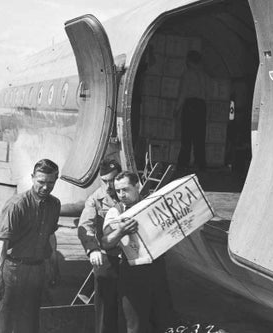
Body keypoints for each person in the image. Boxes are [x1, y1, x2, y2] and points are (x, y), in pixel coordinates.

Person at [0, 159, 61, 333]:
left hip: (36, 270)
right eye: (41, 182)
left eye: (51, 183)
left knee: (29, 324)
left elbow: (50, 235)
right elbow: (1, 243)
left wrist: (53, 264)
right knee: (0, 323)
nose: (45, 187)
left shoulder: (54, 204)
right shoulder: (17, 204)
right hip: (12, 270)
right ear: (32, 178)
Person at [102, 171, 174, 333]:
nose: (121, 195)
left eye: (125, 189)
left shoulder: (153, 205)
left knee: (162, 320)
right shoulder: (115, 213)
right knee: (135, 325)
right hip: (131, 272)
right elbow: (105, 242)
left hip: (157, 269)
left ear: (138, 186)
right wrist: (120, 231)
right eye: (118, 191)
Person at [78, 159, 122, 333]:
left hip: (131, 257)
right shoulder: (95, 199)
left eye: (113, 179)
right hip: (108, 256)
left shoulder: (131, 192)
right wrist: (93, 248)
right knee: (105, 311)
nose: (109, 185)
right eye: (105, 181)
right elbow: (85, 227)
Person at [175, 50, 209, 170]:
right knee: (199, 136)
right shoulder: (203, 75)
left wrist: (177, 109)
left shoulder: (187, 74)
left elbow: (183, 93)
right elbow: (207, 93)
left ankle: (183, 163)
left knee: (187, 136)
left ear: (189, 61)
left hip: (190, 105)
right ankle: (200, 163)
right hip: (201, 105)